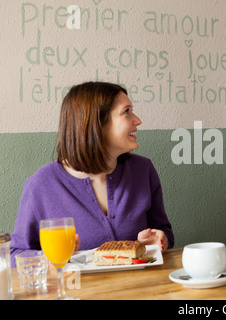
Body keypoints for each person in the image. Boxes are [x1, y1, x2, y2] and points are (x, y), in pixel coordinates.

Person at [10, 82, 174, 267]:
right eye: (126, 111)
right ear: (97, 123)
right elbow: (16, 254)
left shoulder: (142, 170)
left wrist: (160, 240)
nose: (137, 120)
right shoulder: (40, 185)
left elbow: (164, 232)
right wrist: (54, 258)